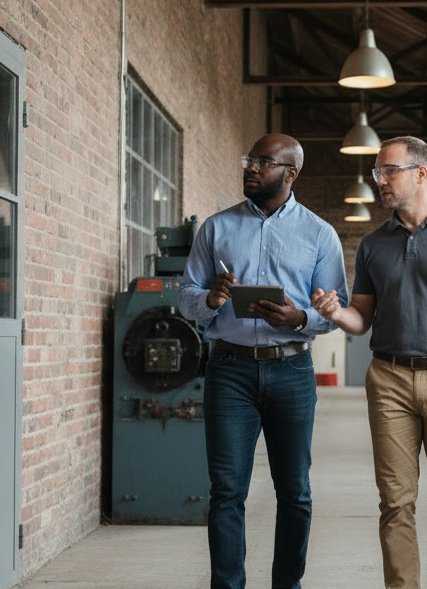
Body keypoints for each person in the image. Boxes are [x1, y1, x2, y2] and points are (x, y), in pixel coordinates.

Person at [311, 136, 427, 589]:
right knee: (395, 500)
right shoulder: (375, 244)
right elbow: (363, 318)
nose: (381, 181)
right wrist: (336, 313)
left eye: (389, 171)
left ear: (420, 173)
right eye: (377, 173)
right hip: (389, 378)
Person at [178, 133, 348, 589]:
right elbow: (186, 297)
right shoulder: (216, 228)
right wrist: (211, 299)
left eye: (262, 162)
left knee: (295, 493)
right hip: (229, 369)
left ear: (290, 173)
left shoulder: (320, 234)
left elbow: (336, 311)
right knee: (227, 492)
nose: (250, 168)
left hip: (291, 369)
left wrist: (301, 317)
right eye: (249, 160)